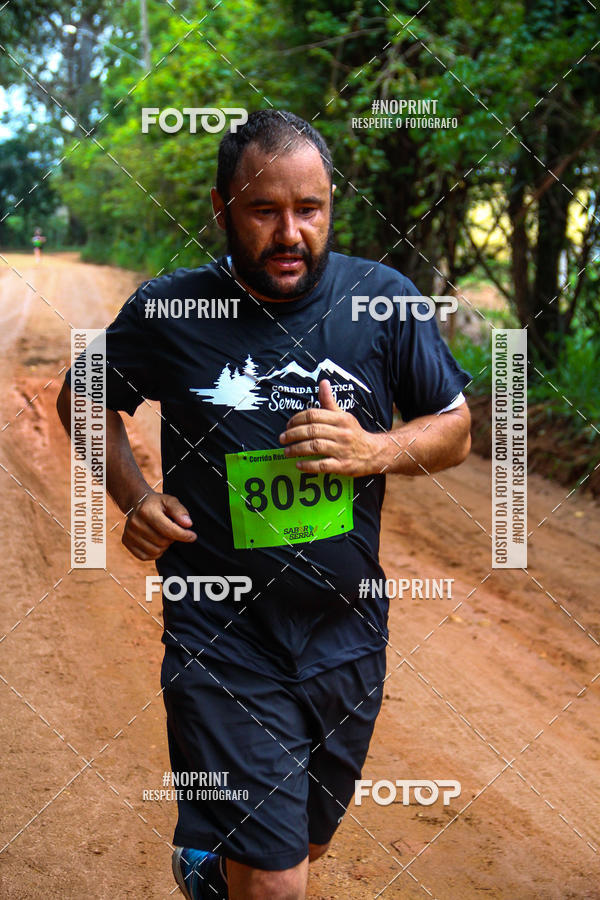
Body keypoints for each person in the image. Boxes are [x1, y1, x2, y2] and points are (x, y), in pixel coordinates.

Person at [57, 109, 471, 900]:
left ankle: (211, 870)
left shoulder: (382, 302)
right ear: (221, 210)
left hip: (348, 635)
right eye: (264, 210)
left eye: (308, 210)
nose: (290, 233)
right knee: (280, 881)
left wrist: (375, 450)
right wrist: (136, 495)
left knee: (303, 846)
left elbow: (455, 427)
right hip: (223, 635)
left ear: (331, 207)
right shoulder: (173, 310)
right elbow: (83, 396)